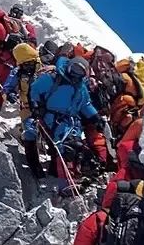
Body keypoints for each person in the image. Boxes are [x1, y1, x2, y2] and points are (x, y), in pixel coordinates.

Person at [28, 56, 105, 193]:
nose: (76, 73)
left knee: (75, 147)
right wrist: (35, 105)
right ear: (69, 66)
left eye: (80, 71)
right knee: (65, 147)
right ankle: (67, 183)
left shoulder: (81, 87)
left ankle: (65, 174)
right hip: (52, 117)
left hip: (72, 122)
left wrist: (95, 117)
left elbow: (85, 104)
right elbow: (35, 90)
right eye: (74, 68)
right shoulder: (53, 79)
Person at [1, 43, 47, 178]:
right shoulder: (18, 72)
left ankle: (55, 166)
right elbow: (6, 88)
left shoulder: (44, 68)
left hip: (45, 107)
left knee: (51, 134)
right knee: (30, 133)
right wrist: (9, 94)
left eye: (29, 63)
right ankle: (34, 165)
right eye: (24, 63)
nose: (27, 66)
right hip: (27, 107)